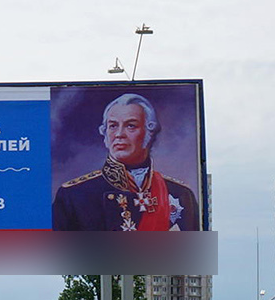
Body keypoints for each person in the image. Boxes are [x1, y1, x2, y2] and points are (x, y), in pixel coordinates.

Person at [52, 93, 200, 232]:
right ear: (105, 134)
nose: (119, 134)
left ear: (149, 132)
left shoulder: (180, 194)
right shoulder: (74, 195)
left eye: (131, 125)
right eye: (113, 126)